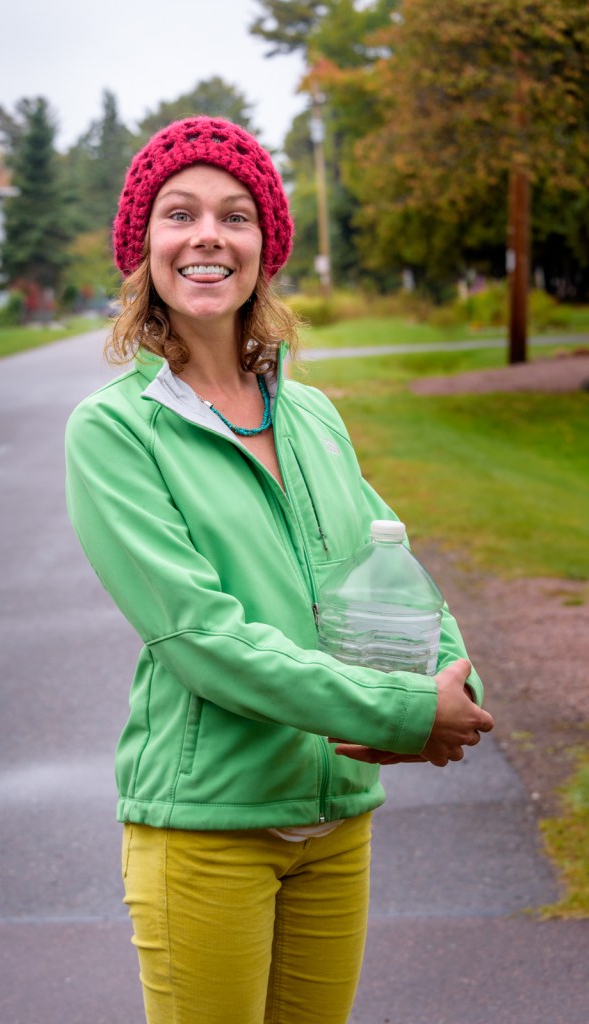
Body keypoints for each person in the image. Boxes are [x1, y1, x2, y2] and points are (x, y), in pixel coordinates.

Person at [65, 116, 494, 1024]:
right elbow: (202, 642)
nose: (208, 236)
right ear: (144, 248)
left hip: (336, 826)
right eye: (179, 214)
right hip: (207, 832)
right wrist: (405, 712)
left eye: (236, 215)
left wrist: (455, 681)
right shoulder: (113, 433)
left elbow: (391, 564)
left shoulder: (313, 417)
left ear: (267, 246)